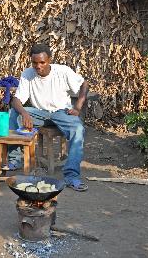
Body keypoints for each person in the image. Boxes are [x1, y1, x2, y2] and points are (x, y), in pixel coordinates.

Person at [7, 43, 89, 192]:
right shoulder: (27, 74)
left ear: (49, 60)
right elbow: (16, 100)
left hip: (61, 112)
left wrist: (77, 107)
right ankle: (15, 159)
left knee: (78, 129)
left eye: (42, 62)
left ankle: (71, 176)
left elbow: (84, 84)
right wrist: (25, 113)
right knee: (13, 113)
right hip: (39, 113)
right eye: (35, 63)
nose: (38, 66)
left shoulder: (63, 71)